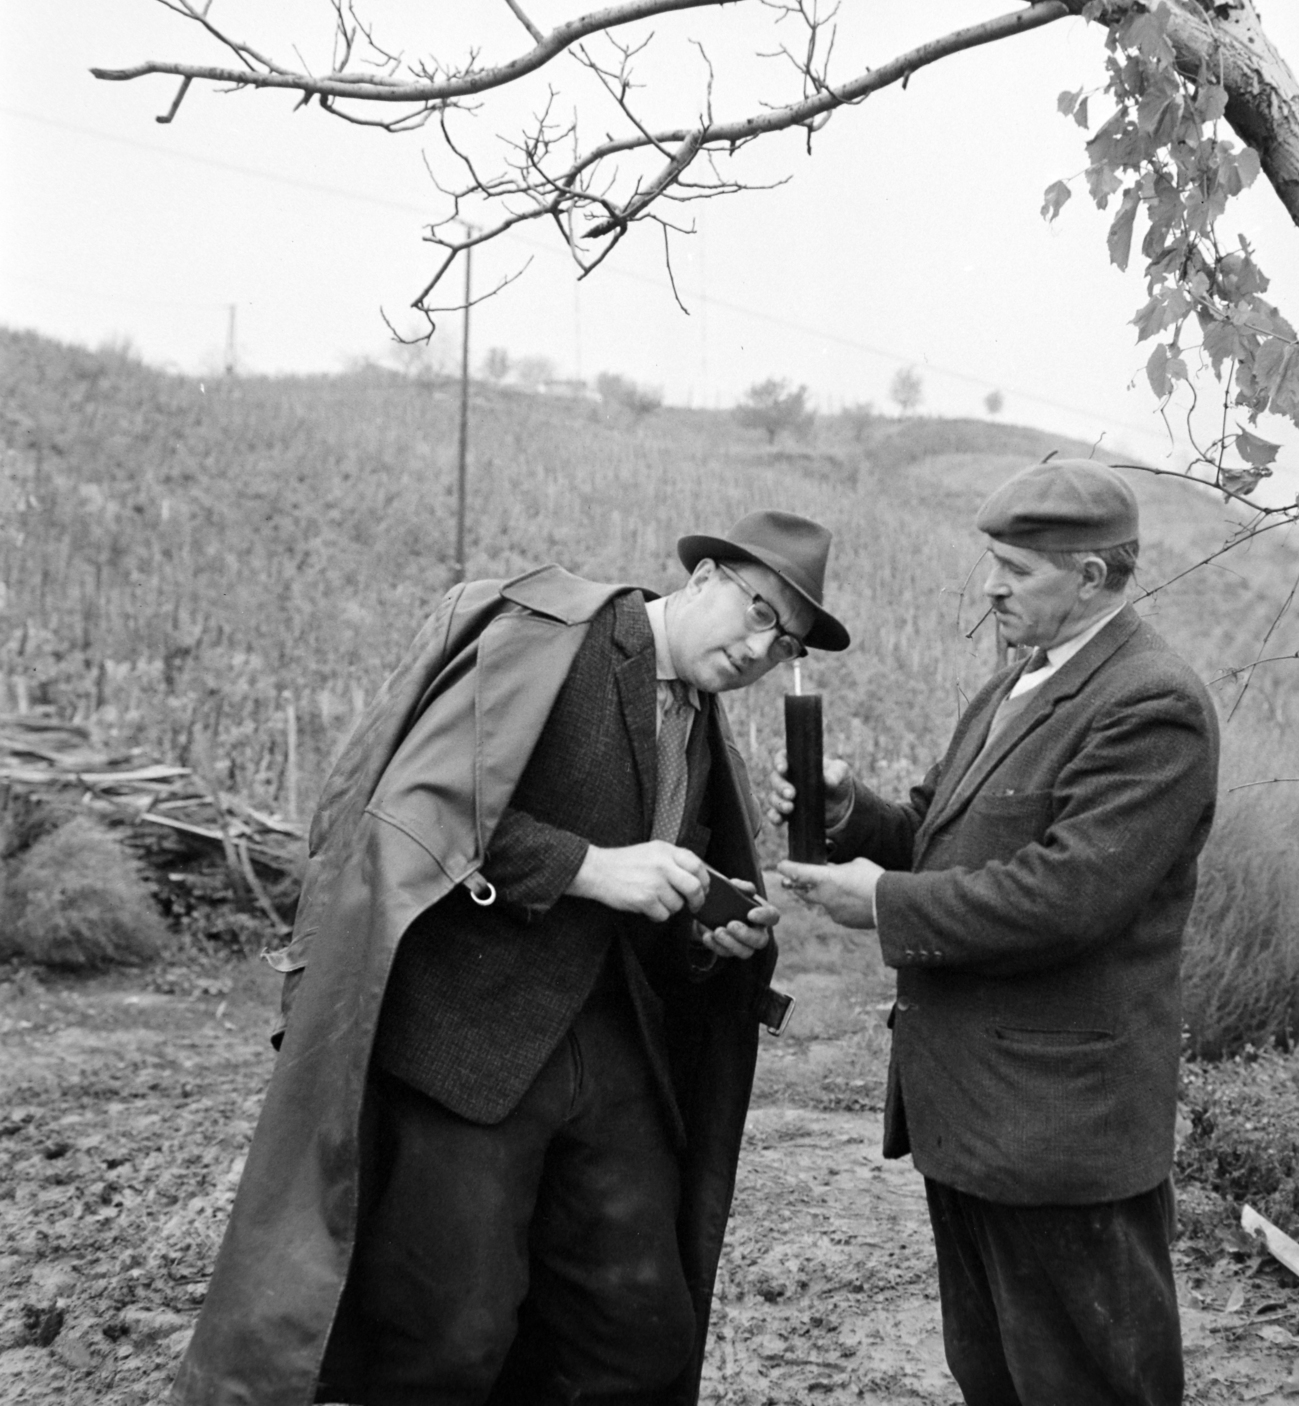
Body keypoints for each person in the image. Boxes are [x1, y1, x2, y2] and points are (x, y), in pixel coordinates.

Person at [174, 509, 850, 1406]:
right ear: (705, 579)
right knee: (446, 1339)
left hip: (612, 1061)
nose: (764, 650)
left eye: (786, 644)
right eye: (761, 613)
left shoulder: (699, 724)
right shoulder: (556, 639)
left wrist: (706, 938)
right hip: (470, 1047)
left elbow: (644, 904)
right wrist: (591, 867)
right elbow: (424, 812)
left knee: (638, 1336)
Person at [769, 459, 1218, 1406]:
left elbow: (1067, 895)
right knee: (996, 1376)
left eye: (1015, 568)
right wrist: (849, 810)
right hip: (976, 1120)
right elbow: (937, 837)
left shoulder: (1152, 703)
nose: (991, 586)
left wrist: (884, 904)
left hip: (1061, 1135)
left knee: (1085, 1384)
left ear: (1090, 576)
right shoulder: (1017, 685)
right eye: (991, 562)